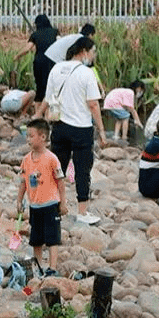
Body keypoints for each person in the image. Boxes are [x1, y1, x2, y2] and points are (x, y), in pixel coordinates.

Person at [43, 36, 104, 225]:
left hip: (59, 126)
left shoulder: (56, 68)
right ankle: (82, 211)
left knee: (57, 168)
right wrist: (101, 130)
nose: (93, 56)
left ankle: (53, 207)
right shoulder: (86, 74)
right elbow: (93, 104)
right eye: (92, 52)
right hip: (81, 128)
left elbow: (48, 98)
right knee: (82, 170)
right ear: (84, 51)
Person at [16, 118, 67, 276]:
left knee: (52, 238)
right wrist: (19, 200)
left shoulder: (51, 158)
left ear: (43, 137)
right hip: (34, 205)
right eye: (28, 136)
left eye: (31, 136)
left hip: (50, 204)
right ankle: (38, 267)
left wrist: (63, 203)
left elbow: (60, 182)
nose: (28, 139)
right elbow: (23, 182)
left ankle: (52, 268)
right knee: (36, 238)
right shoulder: (26, 160)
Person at [19, 14, 59, 117]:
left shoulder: (35, 34)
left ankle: (38, 115)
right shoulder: (55, 32)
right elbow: (60, 44)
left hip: (39, 62)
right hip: (52, 62)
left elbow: (28, 48)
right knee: (51, 87)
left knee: (40, 87)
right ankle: (49, 114)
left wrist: (17, 56)